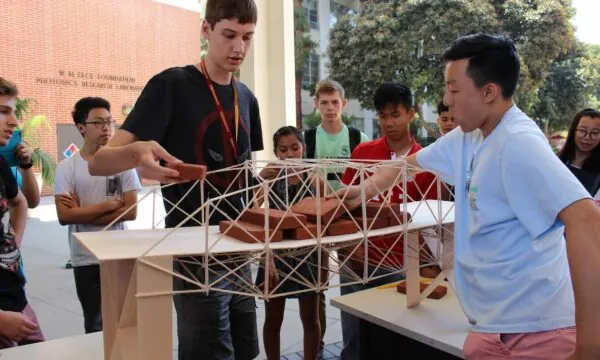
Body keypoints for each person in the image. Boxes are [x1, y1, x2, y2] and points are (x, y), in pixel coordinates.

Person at [331, 33, 600, 359]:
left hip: (536, 332)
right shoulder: (468, 136)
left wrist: (589, 347)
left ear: (489, 92)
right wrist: (363, 191)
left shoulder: (518, 142)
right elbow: (406, 166)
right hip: (492, 328)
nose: (447, 99)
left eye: (454, 89)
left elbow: (586, 221)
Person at [87, 1, 263, 359]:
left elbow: (244, 168)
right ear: (206, 30)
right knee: (210, 351)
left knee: (247, 349)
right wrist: (137, 153)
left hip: (240, 246)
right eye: (229, 35)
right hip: (192, 248)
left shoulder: (246, 97)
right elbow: (98, 163)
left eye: (247, 37)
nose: (238, 48)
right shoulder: (172, 85)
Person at [337, 83, 438, 360]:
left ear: (411, 114)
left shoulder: (427, 163)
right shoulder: (362, 153)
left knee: (397, 342)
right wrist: (348, 249)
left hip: (401, 263)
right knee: (354, 341)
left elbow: (428, 222)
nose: (388, 123)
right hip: (357, 259)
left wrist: (426, 266)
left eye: (395, 115)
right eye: (383, 116)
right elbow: (345, 206)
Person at [54, 97, 141, 334]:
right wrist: (110, 205)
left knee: (124, 322)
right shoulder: (67, 168)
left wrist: (81, 212)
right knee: (94, 324)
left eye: (109, 121)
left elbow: (131, 211)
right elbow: (64, 216)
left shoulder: (123, 163)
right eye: (98, 122)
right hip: (85, 258)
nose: (106, 127)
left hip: (118, 254)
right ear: (81, 127)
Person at [303, 79, 368, 356]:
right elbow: (298, 177)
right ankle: (316, 346)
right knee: (315, 286)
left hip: (349, 218)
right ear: (317, 106)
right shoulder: (306, 139)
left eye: (335, 102)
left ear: (343, 103)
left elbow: (368, 179)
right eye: (324, 103)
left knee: (352, 281)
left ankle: (353, 347)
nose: (330, 108)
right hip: (315, 219)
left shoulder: (358, 139)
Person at [256, 126, 327, 360]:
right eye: (283, 150)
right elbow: (251, 208)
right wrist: (260, 178)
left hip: (308, 255)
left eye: (295, 148)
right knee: (273, 318)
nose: (290, 154)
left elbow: (324, 225)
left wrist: (324, 262)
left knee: (310, 318)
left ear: (303, 148)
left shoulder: (315, 180)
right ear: (276, 153)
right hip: (275, 256)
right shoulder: (271, 180)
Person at [0, 77, 44, 349]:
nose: (15, 122)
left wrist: (12, 247)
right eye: (4, 111)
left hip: (15, 297)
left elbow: (24, 201)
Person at [558, 108, 600, 196]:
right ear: (573, 131)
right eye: (582, 131)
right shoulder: (556, 161)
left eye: (595, 133)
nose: (587, 137)